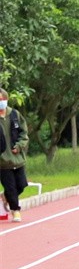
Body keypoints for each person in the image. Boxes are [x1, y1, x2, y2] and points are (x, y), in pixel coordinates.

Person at [0, 88, 29, 223]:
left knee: (21, 185)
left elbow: (24, 134)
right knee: (11, 187)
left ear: (6, 100)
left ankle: (5, 196)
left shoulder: (15, 114)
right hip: (3, 162)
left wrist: (19, 146)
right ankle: (15, 210)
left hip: (18, 159)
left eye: (1, 100)